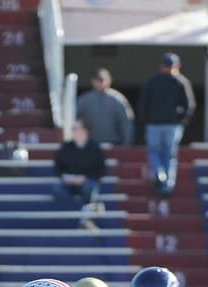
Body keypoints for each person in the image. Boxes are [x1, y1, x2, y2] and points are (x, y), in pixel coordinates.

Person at [138, 52, 195, 197]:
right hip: (170, 124)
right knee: (168, 154)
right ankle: (166, 183)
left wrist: (147, 120)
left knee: (156, 152)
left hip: (157, 124)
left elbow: (143, 104)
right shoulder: (179, 81)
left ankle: (159, 174)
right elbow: (189, 105)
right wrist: (181, 120)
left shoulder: (154, 80)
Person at [51, 120, 106, 224]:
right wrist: (65, 177)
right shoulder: (66, 147)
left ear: (85, 130)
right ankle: (76, 209)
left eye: (76, 128)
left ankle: (86, 211)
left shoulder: (95, 148)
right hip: (68, 182)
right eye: (73, 129)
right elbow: (57, 167)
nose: (74, 131)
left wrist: (84, 178)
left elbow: (100, 170)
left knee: (90, 187)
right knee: (57, 188)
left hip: (87, 182)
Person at [75, 68, 134, 147]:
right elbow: (73, 119)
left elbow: (126, 122)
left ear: (109, 80)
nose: (100, 83)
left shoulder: (118, 99)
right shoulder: (84, 100)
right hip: (91, 145)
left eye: (102, 80)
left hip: (114, 143)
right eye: (97, 80)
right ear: (92, 81)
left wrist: (127, 143)